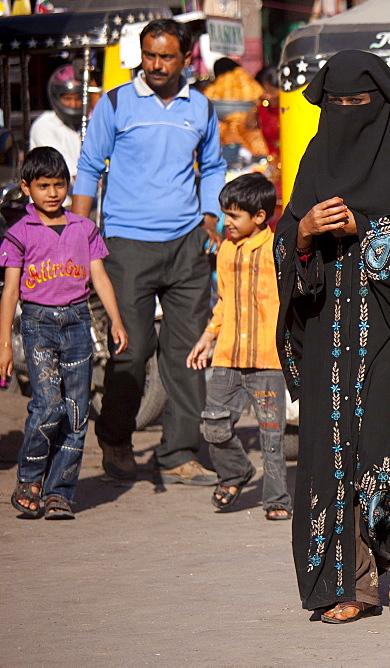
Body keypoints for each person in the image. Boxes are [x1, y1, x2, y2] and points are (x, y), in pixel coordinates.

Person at [274, 50, 390, 624]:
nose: (349, 114)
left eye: (359, 104)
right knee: (329, 453)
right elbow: (287, 236)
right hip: (328, 329)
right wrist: (303, 233)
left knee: (381, 448)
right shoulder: (316, 156)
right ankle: (348, 584)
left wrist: (366, 231)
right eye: (338, 105)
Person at [72, 18, 227, 485]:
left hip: (186, 247)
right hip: (126, 244)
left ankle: (178, 452)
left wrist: (209, 219)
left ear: (186, 60)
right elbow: (88, 169)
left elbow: (215, 167)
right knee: (131, 348)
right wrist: (78, 238)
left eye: (166, 56)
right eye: (149, 55)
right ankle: (115, 438)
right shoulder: (115, 103)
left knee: (187, 353)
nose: (156, 64)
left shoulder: (200, 107)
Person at [1, 147, 127, 520]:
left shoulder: (84, 229)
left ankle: (60, 492)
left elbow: (100, 277)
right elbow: (10, 291)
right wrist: (4, 344)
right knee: (48, 405)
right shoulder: (18, 234)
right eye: (44, 186)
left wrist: (116, 321)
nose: (53, 193)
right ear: (27, 187)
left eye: (59, 185)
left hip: (77, 323)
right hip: (38, 324)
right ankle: (30, 480)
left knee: (75, 412)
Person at [185, 173, 290, 520]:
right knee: (213, 426)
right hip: (228, 356)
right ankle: (235, 472)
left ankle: (276, 500)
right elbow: (223, 302)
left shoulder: (278, 249)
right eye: (224, 214)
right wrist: (207, 338)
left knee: (272, 437)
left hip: (267, 360)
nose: (225, 223)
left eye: (233, 216)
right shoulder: (225, 250)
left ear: (260, 217)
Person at [29, 66, 84, 191]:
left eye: (78, 98)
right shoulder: (45, 125)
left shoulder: (88, 124)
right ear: (56, 97)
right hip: (54, 204)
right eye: (67, 98)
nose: (73, 104)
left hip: (88, 202)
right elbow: (68, 171)